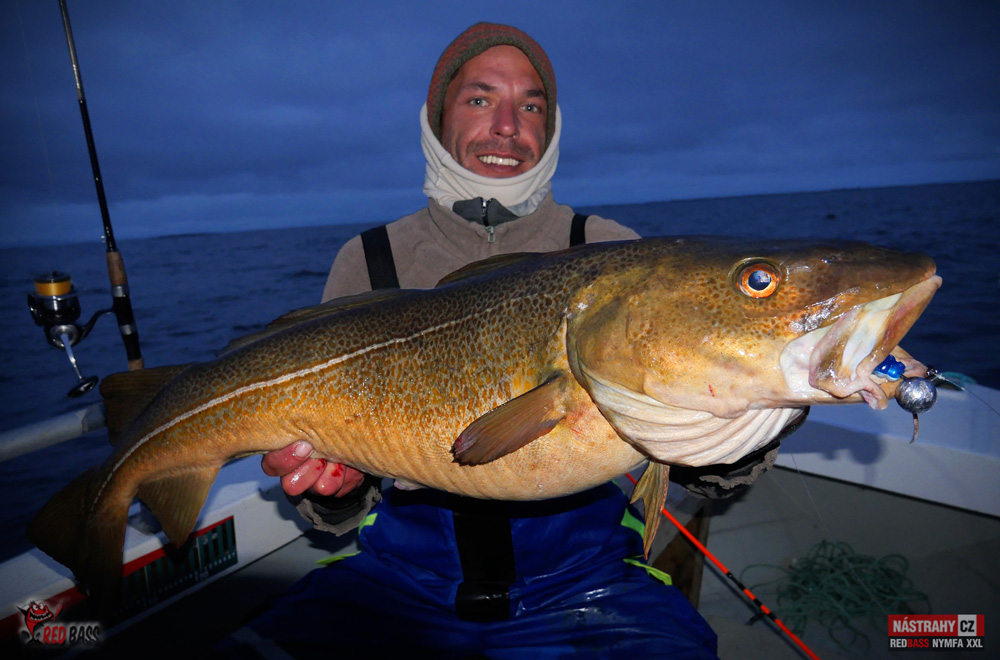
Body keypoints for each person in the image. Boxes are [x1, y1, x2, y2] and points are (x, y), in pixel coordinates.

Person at [224, 22, 771, 659]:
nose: (507, 126)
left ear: (551, 127)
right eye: (480, 99)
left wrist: (753, 399)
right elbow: (343, 497)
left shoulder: (609, 251)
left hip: (585, 583)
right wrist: (335, 486)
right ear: (438, 118)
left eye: (531, 106)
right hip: (399, 583)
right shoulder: (370, 258)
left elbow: (707, 470)